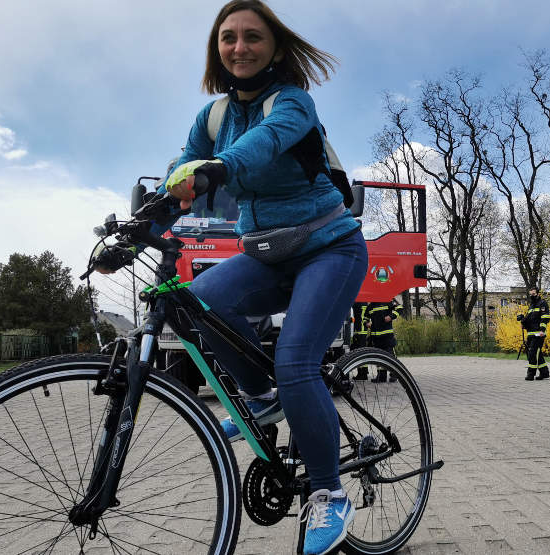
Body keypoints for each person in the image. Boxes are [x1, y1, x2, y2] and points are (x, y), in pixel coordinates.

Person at [153, 2, 361, 553]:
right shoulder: (213, 118)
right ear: (215, 49)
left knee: (297, 361)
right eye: (228, 38)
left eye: (252, 37)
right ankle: (260, 396)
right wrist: (146, 219)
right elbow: (184, 172)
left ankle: (330, 495)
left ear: (274, 46)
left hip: (330, 249)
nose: (239, 47)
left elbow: (261, 145)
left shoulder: (294, 102)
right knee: (194, 303)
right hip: (267, 253)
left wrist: (217, 169)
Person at [519, 288, 550, 380]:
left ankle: (530, 374)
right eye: (531, 294)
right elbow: (530, 319)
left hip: (538, 334)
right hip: (531, 334)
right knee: (537, 354)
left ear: (538, 294)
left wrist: (542, 330)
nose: (532, 296)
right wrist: (523, 321)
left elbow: (545, 318)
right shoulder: (531, 306)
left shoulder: (542, 303)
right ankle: (544, 373)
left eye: (534, 294)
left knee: (532, 354)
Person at [367, 300, 401, 382]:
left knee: (390, 356)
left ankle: (394, 375)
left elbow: (400, 308)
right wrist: (367, 323)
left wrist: (391, 316)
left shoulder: (388, 301)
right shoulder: (371, 305)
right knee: (378, 357)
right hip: (376, 337)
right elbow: (365, 317)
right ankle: (381, 377)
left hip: (387, 336)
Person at [350, 302, 370, 379]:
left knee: (360, 352)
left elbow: (356, 316)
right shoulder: (363, 302)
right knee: (361, 352)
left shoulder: (357, 303)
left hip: (359, 331)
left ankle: (363, 374)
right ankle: (363, 372)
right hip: (361, 330)